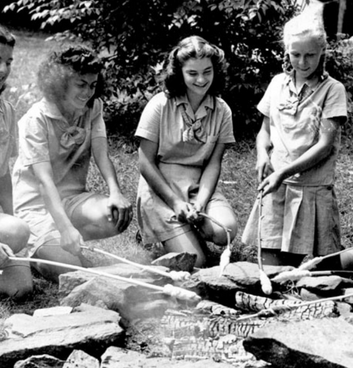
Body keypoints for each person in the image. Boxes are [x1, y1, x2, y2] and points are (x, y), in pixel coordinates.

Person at [13, 44, 132, 283]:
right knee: (73, 272)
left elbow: (101, 154)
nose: (88, 92)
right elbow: (45, 182)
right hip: (36, 206)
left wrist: (116, 193)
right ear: (61, 82)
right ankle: (43, 246)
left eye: (93, 85)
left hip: (72, 198)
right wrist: (65, 227)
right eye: (81, 84)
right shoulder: (35, 120)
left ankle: (62, 241)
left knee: (114, 216)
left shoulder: (93, 108)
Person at [240, 11, 349, 268]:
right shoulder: (277, 83)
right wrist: (262, 155)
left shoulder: (333, 90)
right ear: (286, 51)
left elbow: (324, 146)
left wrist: (283, 173)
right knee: (274, 271)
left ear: (322, 51)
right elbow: (265, 130)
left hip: (311, 189)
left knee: (326, 270)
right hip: (277, 189)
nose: (302, 62)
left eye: (310, 55)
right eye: (295, 54)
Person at [136, 36, 237, 268]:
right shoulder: (160, 105)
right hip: (161, 187)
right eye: (192, 73)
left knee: (225, 231)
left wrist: (201, 202)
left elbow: (213, 164)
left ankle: (188, 229)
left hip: (197, 184)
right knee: (196, 262)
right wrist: (174, 202)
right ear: (179, 73)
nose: (201, 80)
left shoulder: (222, 111)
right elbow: (145, 163)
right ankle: (164, 233)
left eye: (207, 72)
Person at [0, 26, 33, 298]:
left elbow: (2, 175)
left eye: (8, 61)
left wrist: (10, 220)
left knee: (20, 287)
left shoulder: (6, 111)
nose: (2, 69)